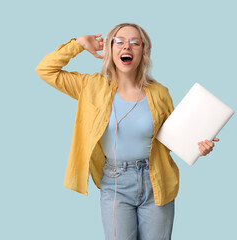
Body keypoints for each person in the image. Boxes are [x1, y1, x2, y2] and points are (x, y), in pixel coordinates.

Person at [35, 23, 219, 240]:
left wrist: (199, 146)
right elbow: (45, 70)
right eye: (119, 42)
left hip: (156, 181)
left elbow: (174, 137)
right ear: (110, 48)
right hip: (115, 182)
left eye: (135, 43)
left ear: (144, 51)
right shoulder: (90, 87)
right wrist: (79, 44)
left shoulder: (160, 93)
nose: (126, 48)